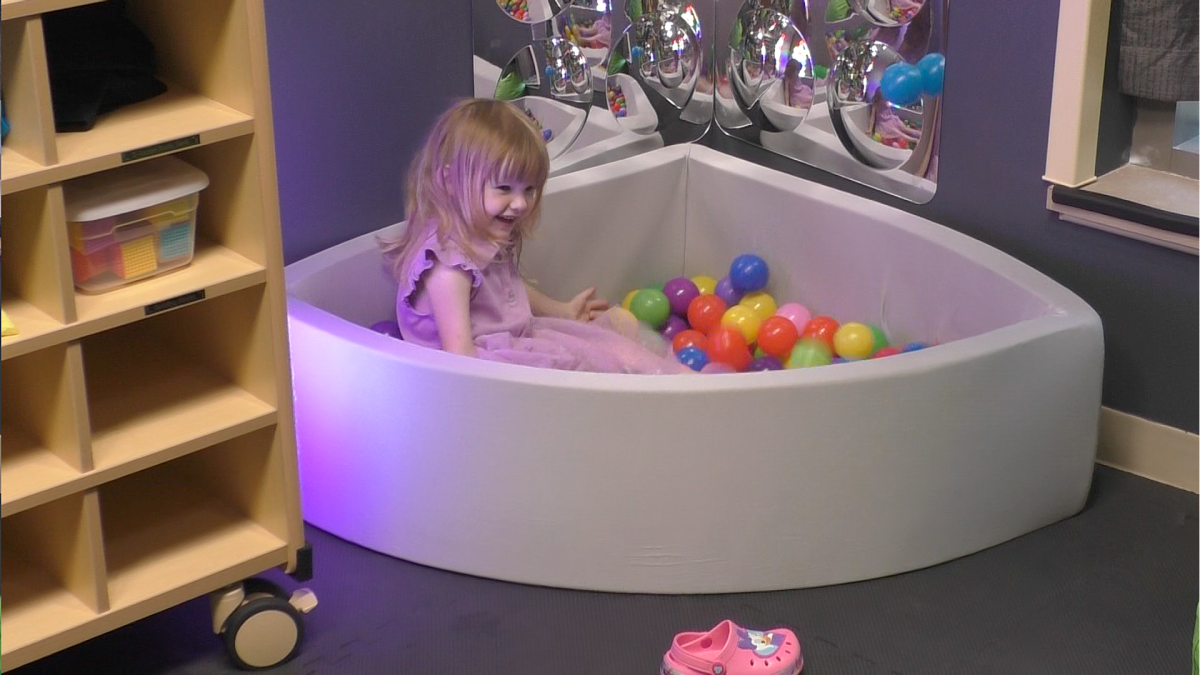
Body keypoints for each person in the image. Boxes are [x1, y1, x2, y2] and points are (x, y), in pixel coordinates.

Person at [379, 98, 685, 374]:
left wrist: (561, 310)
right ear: (450, 180)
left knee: (616, 344)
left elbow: (506, 287)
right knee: (590, 366)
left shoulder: (482, 231)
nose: (521, 203)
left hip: (515, 340)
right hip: (489, 370)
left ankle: (675, 381)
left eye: (529, 189)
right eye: (504, 188)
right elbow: (460, 360)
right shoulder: (448, 269)